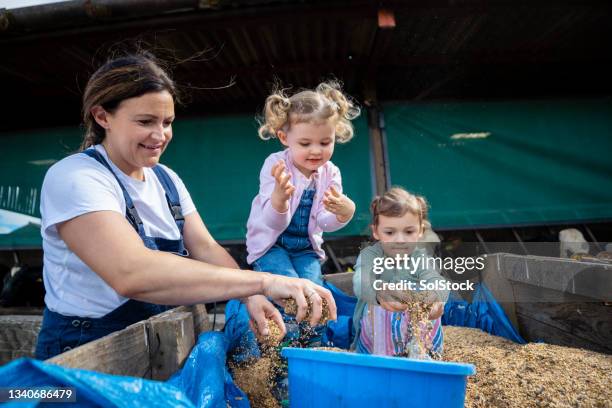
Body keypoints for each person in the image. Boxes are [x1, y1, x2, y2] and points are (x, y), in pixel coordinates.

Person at [35, 53, 336, 360]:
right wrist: (264, 281)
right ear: (102, 117)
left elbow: (205, 248)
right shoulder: (76, 177)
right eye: (145, 121)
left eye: (167, 122)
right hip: (86, 353)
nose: (160, 135)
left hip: (157, 344)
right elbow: (131, 273)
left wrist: (252, 297)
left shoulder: (166, 180)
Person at [246, 82, 360, 285]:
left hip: (305, 248)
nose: (316, 150)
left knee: (313, 290)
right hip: (270, 245)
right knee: (288, 285)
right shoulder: (276, 165)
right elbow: (273, 223)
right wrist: (279, 201)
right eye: (305, 144)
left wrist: (345, 212)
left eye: (325, 142)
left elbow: (324, 222)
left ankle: (307, 317)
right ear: (284, 137)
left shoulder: (331, 172)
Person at [351, 187, 448, 357]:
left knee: (427, 294)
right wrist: (379, 292)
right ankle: (386, 358)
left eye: (409, 232)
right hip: (374, 341)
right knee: (381, 298)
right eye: (390, 232)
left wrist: (438, 298)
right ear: (376, 232)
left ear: (420, 232)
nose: (400, 239)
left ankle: (422, 353)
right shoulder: (371, 256)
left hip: (412, 333)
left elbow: (435, 279)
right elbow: (361, 283)